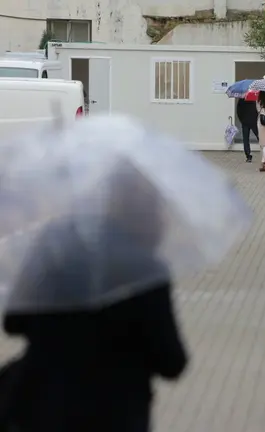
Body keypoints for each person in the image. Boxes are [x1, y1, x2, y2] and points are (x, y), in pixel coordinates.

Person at [1, 168, 188, 432]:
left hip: (44, 411)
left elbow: (14, 321)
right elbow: (172, 362)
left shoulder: (54, 245)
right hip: (117, 416)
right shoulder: (146, 270)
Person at [236, 98, 259, 163]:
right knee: (259, 137)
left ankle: (248, 156)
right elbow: (256, 110)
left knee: (246, 139)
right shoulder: (253, 99)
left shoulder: (241, 99)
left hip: (245, 122)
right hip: (253, 121)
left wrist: (242, 120)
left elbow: (238, 111)